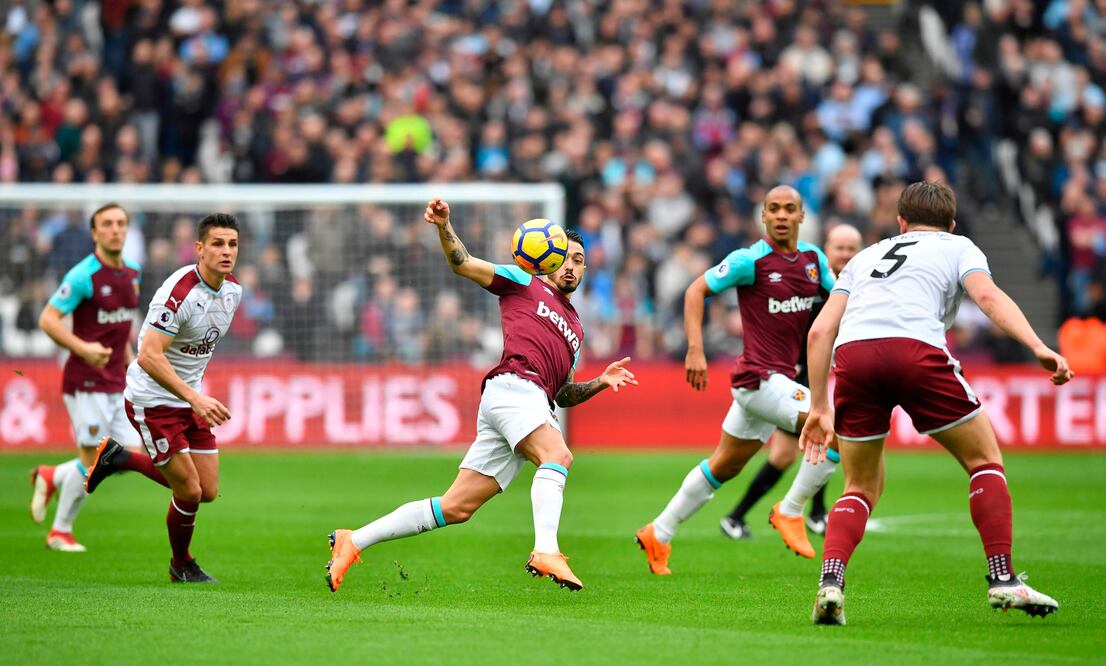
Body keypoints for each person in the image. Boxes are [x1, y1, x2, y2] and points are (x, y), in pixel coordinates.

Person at [324, 199, 636, 593]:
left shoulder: (575, 327)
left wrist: (599, 382)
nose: (572, 266)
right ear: (549, 257)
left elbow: (562, 393)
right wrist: (444, 225)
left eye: (579, 260)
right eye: (566, 258)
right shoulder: (524, 282)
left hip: (530, 400)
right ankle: (546, 551)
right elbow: (463, 262)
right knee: (557, 455)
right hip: (513, 387)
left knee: (455, 508)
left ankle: (354, 540)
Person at [801, 181, 1071, 624]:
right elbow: (987, 296)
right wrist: (1038, 346)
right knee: (985, 460)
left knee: (859, 487)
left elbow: (818, 333)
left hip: (855, 357)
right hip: (915, 350)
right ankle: (1002, 580)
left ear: (901, 222)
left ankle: (831, 584)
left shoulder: (865, 257)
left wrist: (819, 406)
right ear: (950, 223)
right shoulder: (958, 246)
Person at [635, 185, 834, 575]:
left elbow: (841, 298)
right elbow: (696, 291)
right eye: (772, 208)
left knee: (723, 467)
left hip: (767, 387)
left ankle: (658, 531)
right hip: (759, 379)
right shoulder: (750, 260)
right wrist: (696, 348)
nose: (780, 215)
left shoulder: (814, 260)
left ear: (801, 216)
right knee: (832, 429)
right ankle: (791, 510)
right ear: (763, 216)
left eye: (788, 209)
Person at [84, 213, 243, 584]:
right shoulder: (179, 293)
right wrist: (195, 396)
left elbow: (196, 350)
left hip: (189, 399)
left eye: (232, 244)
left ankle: (117, 457)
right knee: (188, 489)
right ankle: (181, 563)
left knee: (208, 491)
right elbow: (149, 355)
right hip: (152, 399)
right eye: (218, 244)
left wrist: (194, 395)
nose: (226, 251)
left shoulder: (233, 292)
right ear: (199, 249)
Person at [720, 224, 862, 541]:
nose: (846, 254)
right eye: (840, 248)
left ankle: (810, 512)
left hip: (814, 376)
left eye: (852, 248)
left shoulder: (852, 287)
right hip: (790, 375)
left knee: (815, 442)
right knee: (795, 450)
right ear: (828, 248)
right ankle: (747, 515)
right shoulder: (813, 282)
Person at [29, 203, 141, 552]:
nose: (115, 229)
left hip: (115, 380)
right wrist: (83, 348)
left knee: (124, 456)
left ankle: (53, 475)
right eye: (106, 224)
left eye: (120, 223)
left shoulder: (133, 272)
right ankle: (60, 531)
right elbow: (48, 319)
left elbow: (121, 327)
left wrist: (131, 363)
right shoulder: (83, 275)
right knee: (94, 458)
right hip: (86, 380)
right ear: (94, 233)